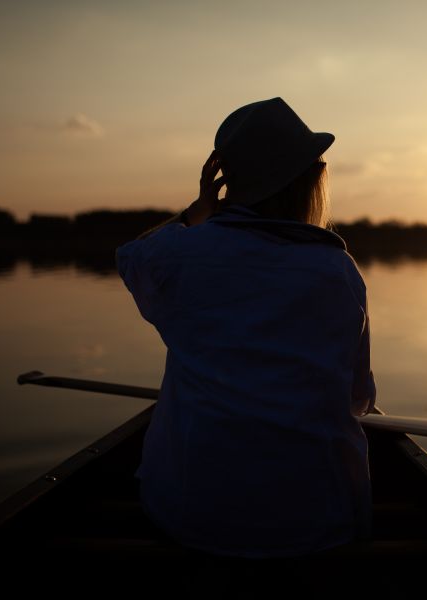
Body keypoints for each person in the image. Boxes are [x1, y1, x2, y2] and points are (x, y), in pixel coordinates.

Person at [115, 97, 377, 559]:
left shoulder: (181, 254)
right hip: (316, 522)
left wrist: (197, 211)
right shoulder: (337, 272)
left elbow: (131, 258)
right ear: (310, 181)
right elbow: (358, 399)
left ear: (226, 181)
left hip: (193, 515)